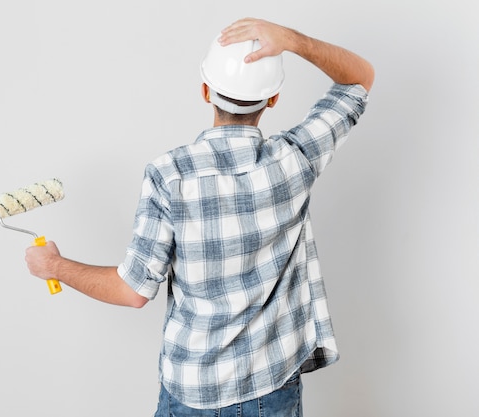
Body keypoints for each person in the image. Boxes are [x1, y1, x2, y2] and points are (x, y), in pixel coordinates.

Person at [25, 17, 374, 416]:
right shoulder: (295, 159)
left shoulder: (170, 175)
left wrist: (53, 265)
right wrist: (292, 41)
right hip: (271, 388)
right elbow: (359, 79)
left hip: (194, 393)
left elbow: (132, 291)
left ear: (205, 90)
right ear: (273, 98)